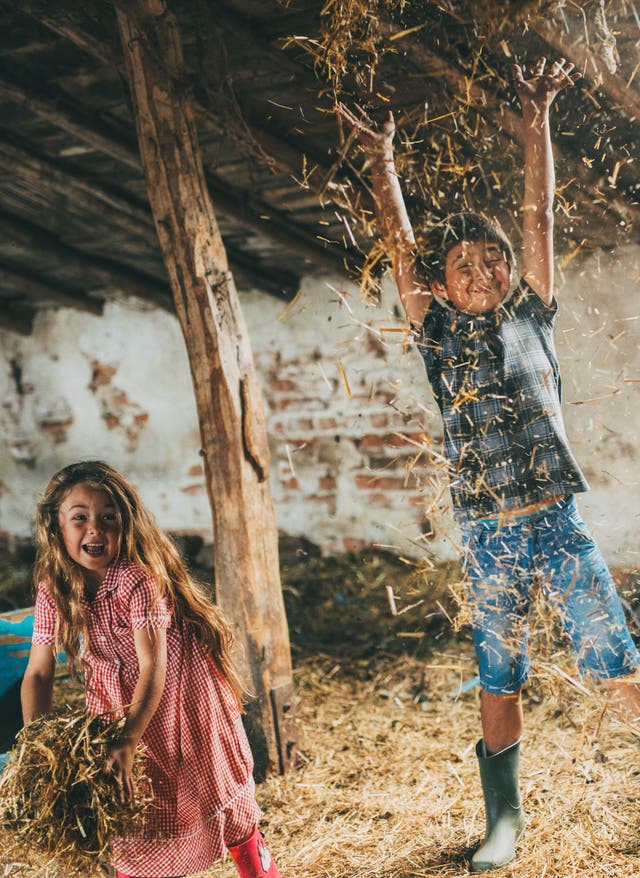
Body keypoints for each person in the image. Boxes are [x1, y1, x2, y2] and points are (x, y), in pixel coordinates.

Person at [337, 58, 640, 872]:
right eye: (463, 265)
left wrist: (537, 115)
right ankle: (502, 823)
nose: (481, 273)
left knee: (616, 658)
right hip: (489, 537)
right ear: (440, 281)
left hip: (558, 523)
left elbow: (539, 214)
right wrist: (382, 161)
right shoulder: (435, 333)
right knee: (497, 673)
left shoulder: (533, 312)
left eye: (492, 261)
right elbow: (399, 246)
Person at [21, 460, 282, 878]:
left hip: (179, 690)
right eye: (80, 518)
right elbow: (38, 672)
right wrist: (38, 747)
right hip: (114, 695)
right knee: (130, 793)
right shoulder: (54, 587)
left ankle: (256, 866)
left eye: (108, 518)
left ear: (126, 524)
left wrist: (128, 736)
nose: (94, 529)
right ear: (56, 525)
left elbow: (152, 665)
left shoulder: (136, 579)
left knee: (206, 775)